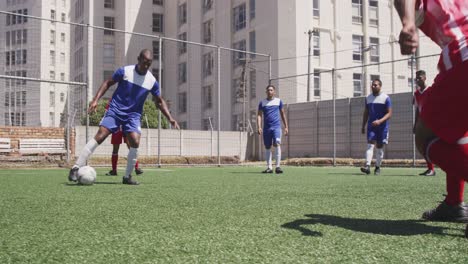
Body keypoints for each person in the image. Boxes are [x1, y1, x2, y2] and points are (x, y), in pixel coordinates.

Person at [394, 0, 468, 222]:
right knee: (457, 137)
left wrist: (408, 23)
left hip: (462, 56)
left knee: (425, 134)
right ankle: (453, 204)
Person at [68, 49, 179, 185]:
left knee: (135, 141)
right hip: (115, 110)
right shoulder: (125, 71)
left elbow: (160, 101)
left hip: (133, 115)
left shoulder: (151, 81)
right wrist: (96, 99)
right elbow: (108, 82)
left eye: (149, 64)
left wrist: (170, 118)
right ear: (138, 59)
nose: (146, 66)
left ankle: (127, 177)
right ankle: (75, 167)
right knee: (101, 135)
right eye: (144, 63)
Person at [360, 79, 392, 175]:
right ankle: (367, 166)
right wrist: (363, 125)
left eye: (375, 85)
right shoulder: (368, 98)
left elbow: (389, 113)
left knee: (379, 147)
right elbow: (366, 113)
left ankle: (377, 167)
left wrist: (380, 121)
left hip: (382, 127)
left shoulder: (386, 98)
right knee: (370, 145)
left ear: (380, 86)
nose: (373, 86)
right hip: (371, 126)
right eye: (372, 85)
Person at [257, 85, 288, 174]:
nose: (270, 91)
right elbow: (259, 115)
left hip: (276, 127)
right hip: (266, 129)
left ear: (274, 92)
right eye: (268, 90)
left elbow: (282, 114)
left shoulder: (278, 101)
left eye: (271, 90)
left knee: (277, 144)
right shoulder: (262, 102)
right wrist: (259, 126)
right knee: (267, 147)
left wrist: (286, 126)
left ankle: (278, 167)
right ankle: (269, 167)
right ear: (266, 92)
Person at [413, 70, 435, 176]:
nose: (417, 80)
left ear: (425, 78)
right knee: (423, 146)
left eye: (420, 78)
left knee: (433, 145)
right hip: (421, 124)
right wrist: (415, 124)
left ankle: (435, 168)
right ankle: (430, 168)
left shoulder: (431, 90)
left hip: (431, 123)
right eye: (416, 78)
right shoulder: (416, 93)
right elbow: (418, 109)